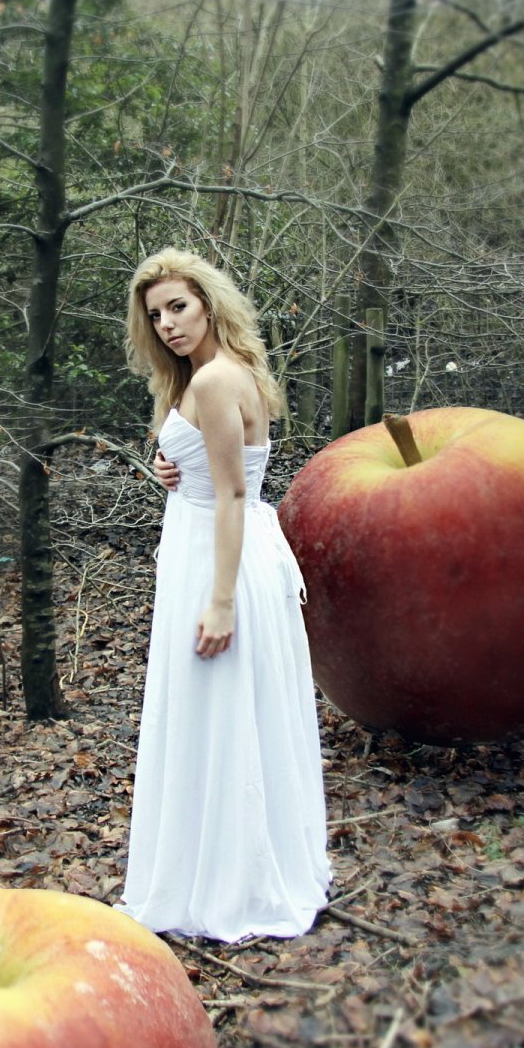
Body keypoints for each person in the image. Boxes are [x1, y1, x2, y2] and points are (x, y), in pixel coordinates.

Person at [115, 247, 331, 942]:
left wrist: (222, 600)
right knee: (217, 715)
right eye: (157, 315)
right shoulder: (212, 376)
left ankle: (231, 883)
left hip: (222, 558)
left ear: (208, 303)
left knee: (226, 714)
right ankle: (216, 867)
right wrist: (169, 463)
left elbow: (237, 491)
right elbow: (216, 466)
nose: (169, 323)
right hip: (209, 545)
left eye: (179, 306)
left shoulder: (212, 381)